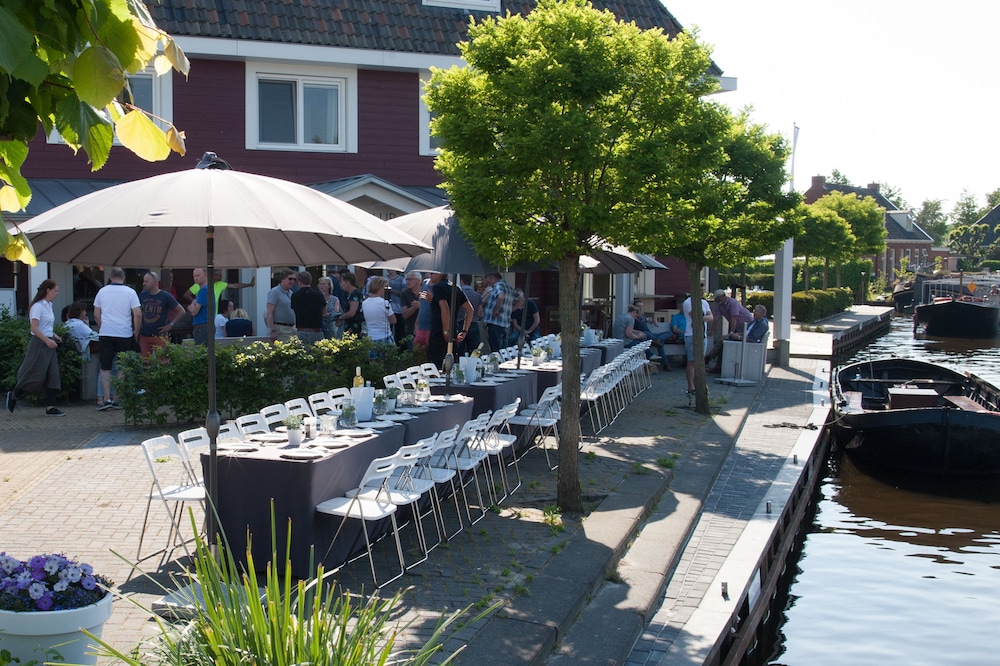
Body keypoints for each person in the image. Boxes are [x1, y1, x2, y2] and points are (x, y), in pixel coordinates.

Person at [6, 280, 65, 416]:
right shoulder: (38, 307)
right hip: (39, 344)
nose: (57, 293)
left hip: (48, 342)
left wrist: (53, 335)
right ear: (48, 290)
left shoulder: (49, 305)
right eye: (55, 290)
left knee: (53, 374)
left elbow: (46, 326)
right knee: (33, 372)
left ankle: (50, 407)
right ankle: (14, 394)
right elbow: (34, 328)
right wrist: (47, 340)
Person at [93, 267, 140, 410]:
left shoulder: (102, 291)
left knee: (105, 367)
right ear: (123, 278)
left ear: (110, 277)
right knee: (122, 367)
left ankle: (106, 399)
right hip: (124, 333)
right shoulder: (130, 292)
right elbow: (137, 314)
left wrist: (103, 326)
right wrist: (136, 331)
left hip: (106, 333)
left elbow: (96, 314)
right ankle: (117, 398)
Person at [427, 271, 473, 369]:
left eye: (431, 273)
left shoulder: (438, 287)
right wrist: (464, 331)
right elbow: (470, 310)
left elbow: (445, 309)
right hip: (453, 333)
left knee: (437, 368)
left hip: (439, 333)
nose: (429, 276)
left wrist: (445, 332)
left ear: (439, 273)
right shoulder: (456, 288)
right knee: (451, 367)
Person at [706, 289, 755, 373]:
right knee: (723, 342)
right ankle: (715, 364)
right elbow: (716, 318)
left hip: (746, 328)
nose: (716, 300)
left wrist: (731, 333)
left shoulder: (733, 303)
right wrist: (712, 330)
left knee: (723, 340)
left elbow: (734, 318)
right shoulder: (720, 305)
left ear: (722, 297)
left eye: (717, 298)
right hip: (738, 329)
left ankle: (709, 358)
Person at [138, 271, 184, 358]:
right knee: (145, 362)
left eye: (146, 281)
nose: (144, 283)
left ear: (154, 282)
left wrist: (170, 325)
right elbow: (139, 312)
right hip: (144, 335)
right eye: (144, 281)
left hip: (160, 335)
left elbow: (181, 311)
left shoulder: (165, 296)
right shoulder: (143, 295)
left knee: (163, 361)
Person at [682, 291, 714, 395]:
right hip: (691, 334)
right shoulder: (688, 302)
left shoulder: (704, 302)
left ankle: (700, 385)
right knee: (692, 361)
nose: (701, 292)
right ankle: (691, 386)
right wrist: (703, 318)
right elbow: (695, 317)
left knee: (700, 361)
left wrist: (702, 319)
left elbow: (710, 317)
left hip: (703, 334)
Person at [630, 299, 672, 370]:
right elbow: (631, 329)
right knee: (660, 343)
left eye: (642, 306)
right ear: (634, 307)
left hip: (650, 335)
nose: (641, 308)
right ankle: (665, 364)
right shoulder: (633, 317)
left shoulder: (642, 316)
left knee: (669, 333)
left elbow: (649, 319)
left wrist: (654, 320)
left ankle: (656, 340)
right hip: (643, 336)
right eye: (639, 306)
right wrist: (639, 332)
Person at [184, 268, 254, 307]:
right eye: (219, 275)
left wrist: (249, 284)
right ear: (214, 275)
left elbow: (234, 286)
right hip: (201, 315)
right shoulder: (200, 284)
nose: (221, 277)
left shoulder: (220, 284)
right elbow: (186, 295)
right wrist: (195, 303)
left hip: (214, 316)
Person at [482, 272, 515, 353]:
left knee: (496, 350)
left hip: (495, 323)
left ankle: (496, 361)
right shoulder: (509, 287)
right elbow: (521, 299)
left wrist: (496, 310)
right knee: (503, 351)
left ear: (492, 278)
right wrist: (511, 309)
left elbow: (501, 296)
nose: (488, 283)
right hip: (505, 323)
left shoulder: (498, 285)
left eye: (488, 280)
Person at [290, 271, 326, 344]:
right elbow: (324, 311)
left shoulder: (295, 295)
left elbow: (293, 310)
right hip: (316, 331)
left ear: (299, 282)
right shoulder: (318, 295)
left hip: (301, 330)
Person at [361, 276, 397, 344]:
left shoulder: (364, 303)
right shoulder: (384, 303)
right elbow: (393, 320)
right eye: (385, 287)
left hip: (371, 337)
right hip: (385, 337)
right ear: (380, 288)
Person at [265, 269, 298, 342]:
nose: (292, 281)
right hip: (280, 329)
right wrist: (272, 330)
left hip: (292, 329)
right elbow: (269, 313)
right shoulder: (275, 292)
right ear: (282, 279)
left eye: (294, 279)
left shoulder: (291, 293)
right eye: (290, 279)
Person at [459, 273, 483, 353]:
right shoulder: (477, 295)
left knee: (459, 350)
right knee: (473, 351)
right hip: (473, 324)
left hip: (460, 324)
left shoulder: (458, 294)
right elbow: (480, 312)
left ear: (461, 280)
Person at [399, 271, 423, 348]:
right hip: (410, 330)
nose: (408, 281)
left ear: (418, 281)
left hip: (424, 328)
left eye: (410, 279)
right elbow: (405, 315)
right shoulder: (404, 293)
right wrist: (414, 307)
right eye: (407, 279)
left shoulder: (425, 292)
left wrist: (421, 306)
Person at [386, 269, 407, 344]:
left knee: (400, 332)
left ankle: (401, 347)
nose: (389, 270)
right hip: (388, 308)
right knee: (388, 330)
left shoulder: (402, 279)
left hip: (399, 308)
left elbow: (403, 293)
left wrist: (391, 290)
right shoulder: (385, 279)